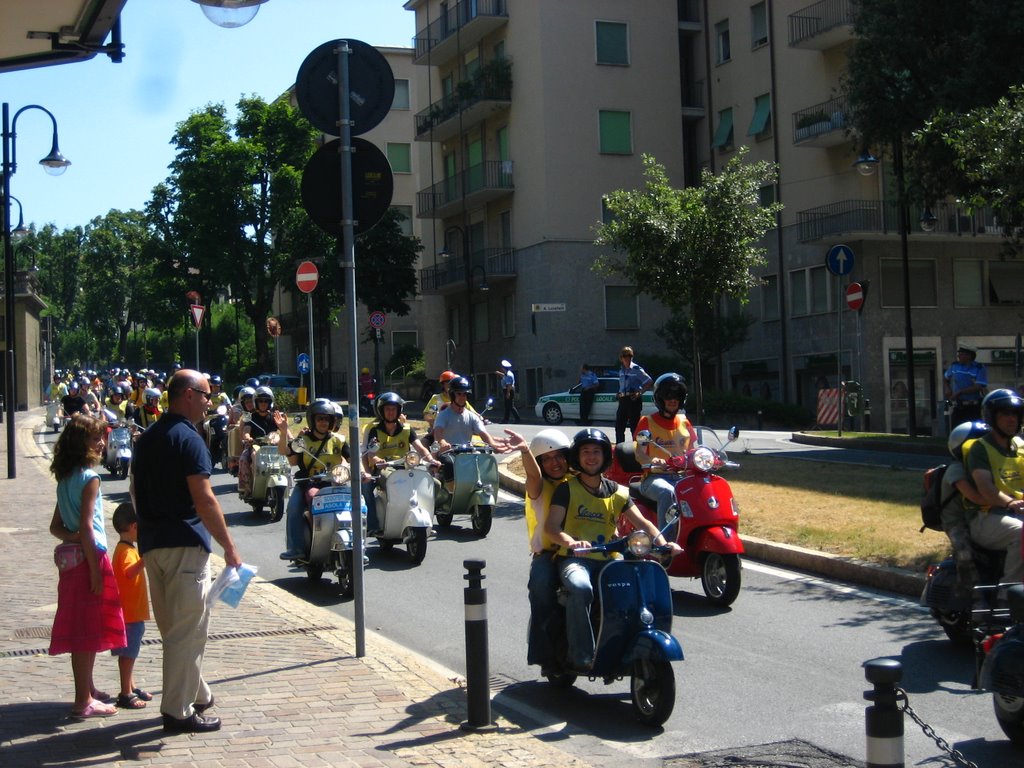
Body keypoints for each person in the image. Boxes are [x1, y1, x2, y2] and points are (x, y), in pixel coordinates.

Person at [130, 369, 242, 733]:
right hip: (184, 545)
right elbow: (204, 498)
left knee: (176, 629)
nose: (210, 401)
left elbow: (134, 492)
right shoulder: (189, 439)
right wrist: (229, 546)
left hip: (153, 545)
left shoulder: (147, 438)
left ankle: (198, 693)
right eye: (206, 395)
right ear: (188, 395)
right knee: (188, 630)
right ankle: (177, 712)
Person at [543, 429, 680, 670]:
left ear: (605, 456)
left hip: (611, 560)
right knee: (580, 587)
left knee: (637, 591)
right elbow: (552, 527)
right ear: (577, 456)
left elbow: (644, 524)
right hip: (576, 560)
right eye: (585, 452)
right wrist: (571, 542)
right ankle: (581, 654)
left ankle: (625, 643)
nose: (591, 457)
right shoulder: (567, 490)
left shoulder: (618, 492)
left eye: (597, 452)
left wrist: (663, 543)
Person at [48, 413, 126, 719]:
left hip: (70, 560)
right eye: (96, 438)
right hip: (89, 559)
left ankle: (88, 689)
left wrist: (73, 538)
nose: (102, 443)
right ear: (83, 444)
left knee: (80, 624)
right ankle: (83, 701)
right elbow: (88, 526)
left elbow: (56, 526)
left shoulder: (65, 478)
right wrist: (95, 569)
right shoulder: (90, 479)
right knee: (87, 630)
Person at [509, 428, 571, 669]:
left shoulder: (578, 481)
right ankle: (543, 653)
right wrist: (525, 451)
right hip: (548, 554)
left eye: (559, 456)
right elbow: (533, 477)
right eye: (546, 458)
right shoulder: (538, 486)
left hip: (584, 552)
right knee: (541, 588)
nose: (554, 463)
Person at [964, 388, 1024, 587]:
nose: (1012, 419)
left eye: (1015, 414)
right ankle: (1008, 595)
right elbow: (987, 490)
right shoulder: (980, 448)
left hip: (1017, 512)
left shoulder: (1020, 446)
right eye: (1005, 414)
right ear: (992, 417)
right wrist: (1012, 503)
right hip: (987, 516)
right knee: (1022, 532)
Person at [278, 398, 350, 560]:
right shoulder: (303, 440)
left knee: (357, 504)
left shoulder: (339, 440)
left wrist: (361, 473)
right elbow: (289, 457)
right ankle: (297, 548)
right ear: (313, 420)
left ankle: (358, 545)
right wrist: (283, 431)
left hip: (335, 483)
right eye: (320, 419)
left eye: (327, 419)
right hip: (308, 483)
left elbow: (353, 459)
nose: (323, 422)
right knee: (294, 508)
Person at [361, 392, 438, 533]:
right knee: (380, 486)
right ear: (381, 411)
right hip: (383, 469)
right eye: (387, 409)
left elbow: (420, 448)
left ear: (399, 411)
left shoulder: (407, 430)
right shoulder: (375, 430)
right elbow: (371, 454)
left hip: (406, 466)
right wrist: (378, 461)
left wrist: (432, 460)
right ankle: (373, 525)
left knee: (435, 484)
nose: (391, 412)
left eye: (394, 409)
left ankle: (427, 520)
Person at [636, 373, 699, 532]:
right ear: (659, 398)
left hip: (682, 477)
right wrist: (654, 461)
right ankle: (665, 546)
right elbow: (640, 453)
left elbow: (693, 450)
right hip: (654, 478)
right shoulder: (646, 422)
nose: (673, 400)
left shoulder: (685, 422)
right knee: (669, 492)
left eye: (677, 395)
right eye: (668, 395)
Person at [109, 503, 153, 710]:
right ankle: (125, 692)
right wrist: (144, 559)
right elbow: (128, 572)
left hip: (132, 612)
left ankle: (131, 685)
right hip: (129, 613)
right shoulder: (126, 551)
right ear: (134, 527)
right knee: (128, 654)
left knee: (131, 652)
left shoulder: (126, 548)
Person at [940, 421, 991, 597]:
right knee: (965, 552)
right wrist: (1007, 501)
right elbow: (975, 497)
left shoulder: (986, 468)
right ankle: (972, 594)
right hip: (957, 521)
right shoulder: (956, 470)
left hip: (980, 515)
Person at [433, 376, 510, 485]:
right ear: (452, 395)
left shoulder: (472, 416)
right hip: (449, 452)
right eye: (459, 394)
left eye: (465, 394)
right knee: (449, 463)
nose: (462, 397)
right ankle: (452, 494)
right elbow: (438, 432)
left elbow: (483, 434)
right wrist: (442, 442)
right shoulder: (444, 415)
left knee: (484, 459)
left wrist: (493, 445)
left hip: (467, 452)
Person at [238, 386, 278, 498]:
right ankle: (248, 487)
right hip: (255, 446)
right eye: (260, 401)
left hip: (273, 447)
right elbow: (246, 430)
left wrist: (291, 438)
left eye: (266, 400)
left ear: (270, 402)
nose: (263, 403)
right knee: (243, 459)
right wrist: (247, 437)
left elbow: (284, 430)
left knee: (285, 457)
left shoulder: (274, 417)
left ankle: (285, 483)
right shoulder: (251, 417)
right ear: (256, 402)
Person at [614, 346, 653, 444]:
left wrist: (640, 392)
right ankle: (620, 449)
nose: (627, 358)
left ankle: (637, 450)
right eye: (625, 355)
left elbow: (649, 381)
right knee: (619, 426)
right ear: (621, 358)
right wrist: (619, 393)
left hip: (633, 400)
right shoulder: (621, 370)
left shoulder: (636, 369)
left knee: (635, 427)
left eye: (630, 355)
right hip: (623, 400)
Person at [944, 344, 988, 425]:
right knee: (957, 431)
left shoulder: (979, 368)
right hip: (959, 406)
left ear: (969, 356)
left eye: (961, 354)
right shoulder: (955, 366)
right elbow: (946, 378)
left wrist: (959, 392)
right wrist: (947, 388)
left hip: (973, 407)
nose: (958, 356)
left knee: (974, 432)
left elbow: (979, 386)